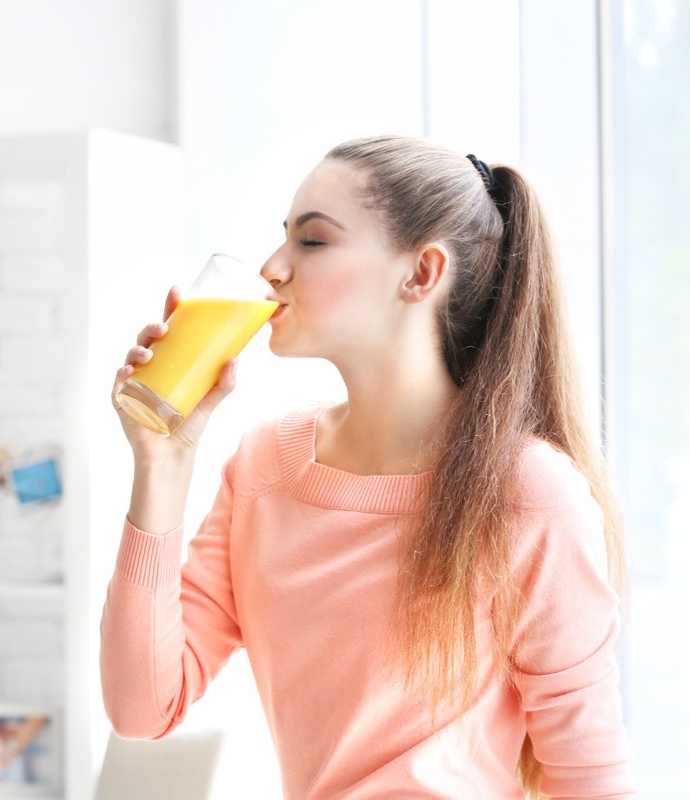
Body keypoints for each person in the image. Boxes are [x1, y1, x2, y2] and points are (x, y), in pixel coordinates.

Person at [101, 135, 635, 798]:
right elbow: (141, 709)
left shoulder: (528, 492)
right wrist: (162, 464)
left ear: (421, 274)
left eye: (312, 241)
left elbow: (591, 779)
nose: (272, 267)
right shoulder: (263, 468)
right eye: (284, 238)